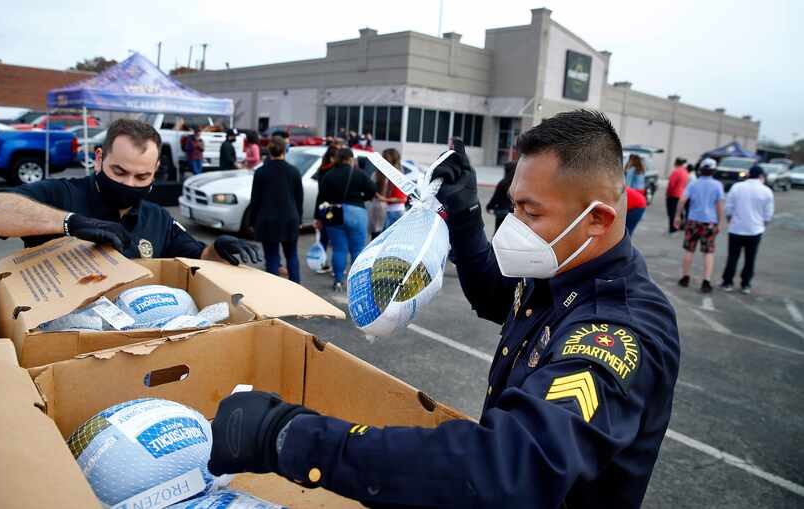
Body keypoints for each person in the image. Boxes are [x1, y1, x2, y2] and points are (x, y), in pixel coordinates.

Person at [207, 110, 680, 508]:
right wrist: (466, 217)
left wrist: (290, 437)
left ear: (597, 219)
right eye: (513, 207)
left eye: (530, 212)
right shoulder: (561, 266)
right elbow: (501, 297)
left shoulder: (616, 332)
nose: (515, 224)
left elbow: (509, 470)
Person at [0, 119, 260, 265]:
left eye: (142, 176)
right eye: (120, 172)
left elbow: (198, 261)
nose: (130, 184)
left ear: (156, 169)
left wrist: (220, 251)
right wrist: (69, 223)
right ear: (99, 159)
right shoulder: (62, 194)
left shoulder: (158, 219)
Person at [314, 148, 376, 291]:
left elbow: (321, 197)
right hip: (356, 213)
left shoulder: (329, 175)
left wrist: (318, 218)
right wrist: (361, 198)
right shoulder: (358, 173)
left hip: (334, 214)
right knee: (357, 250)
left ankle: (338, 282)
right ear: (350, 159)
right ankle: (357, 285)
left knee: (339, 250)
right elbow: (372, 189)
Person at [247, 136, 303, 283]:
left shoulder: (261, 172)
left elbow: (255, 200)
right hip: (290, 218)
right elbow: (299, 198)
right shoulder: (294, 171)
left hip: (267, 220)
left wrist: (252, 221)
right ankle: (296, 287)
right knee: (292, 255)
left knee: (272, 257)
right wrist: (300, 219)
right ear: (285, 150)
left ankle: (273, 289)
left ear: (269, 151)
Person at [673, 158, 725, 293]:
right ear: (713, 170)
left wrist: (678, 216)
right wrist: (720, 222)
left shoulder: (693, 184)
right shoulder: (717, 185)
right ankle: (706, 281)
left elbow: (682, 200)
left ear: (700, 169)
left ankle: (685, 277)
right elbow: (719, 205)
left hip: (693, 221)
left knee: (689, 250)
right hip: (710, 222)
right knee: (708, 252)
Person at [720, 164, 774, 294]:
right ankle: (746, 284)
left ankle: (727, 282)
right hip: (755, 230)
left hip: (736, 229)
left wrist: (730, 221)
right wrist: (762, 226)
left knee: (733, 257)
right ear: (761, 176)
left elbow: (728, 208)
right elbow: (768, 214)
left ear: (749, 174)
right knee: (750, 258)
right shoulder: (766, 191)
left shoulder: (737, 187)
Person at [312, 146, 338, 273]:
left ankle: (320, 264)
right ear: (333, 157)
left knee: (323, 237)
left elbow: (320, 194)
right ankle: (335, 267)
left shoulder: (321, 170)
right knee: (335, 238)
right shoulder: (334, 171)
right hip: (332, 208)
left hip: (322, 207)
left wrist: (316, 216)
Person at [485, 160, 516, 232]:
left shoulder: (502, 183)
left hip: (501, 212)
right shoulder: (516, 184)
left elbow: (496, 198)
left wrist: (489, 207)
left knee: (498, 233)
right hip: (513, 213)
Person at [380, 148, 407, 229]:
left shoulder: (397, 175)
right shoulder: (391, 175)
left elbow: (403, 199)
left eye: (385, 158)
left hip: (396, 212)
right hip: (391, 211)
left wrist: (384, 199)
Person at [665, 158, 688, 234]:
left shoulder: (676, 171)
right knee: (679, 212)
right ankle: (679, 227)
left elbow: (671, 184)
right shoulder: (685, 172)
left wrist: (668, 193)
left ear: (676, 163)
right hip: (681, 194)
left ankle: (673, 229)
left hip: (673, 195)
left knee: (672, 213)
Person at [367, 170, 388, 240]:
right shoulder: (389, 175)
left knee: (375, 232)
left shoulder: (375, 174)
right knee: (381, 232)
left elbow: (370, 188)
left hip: (374, 203)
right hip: (384, 205)